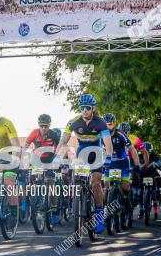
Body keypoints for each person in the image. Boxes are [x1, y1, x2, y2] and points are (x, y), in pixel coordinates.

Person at [58, 93, 113, 234]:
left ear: (92, 108)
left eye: (87, 108)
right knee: (76, 180)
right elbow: (63, 141)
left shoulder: (100, 122)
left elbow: (108, 143)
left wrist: (108, 158)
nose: (85, 110)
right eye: (82, 107)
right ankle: (77, 203)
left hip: (96, 153)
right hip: (81, 153)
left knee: (95, 182)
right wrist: (57, 157)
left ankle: (99, 216)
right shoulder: (73, 122)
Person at [25, 114, 62, 224]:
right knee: (31, 177)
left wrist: (58, 160)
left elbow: (60, 148)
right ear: (38, 125)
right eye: (42, 126)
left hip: (50, 160)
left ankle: (54, 211)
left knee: (51, 185)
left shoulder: (53, 134)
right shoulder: (34, 133)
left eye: (46, 126)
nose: (44, 128)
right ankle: (34, 199)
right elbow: (25, 146)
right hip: (36, 159)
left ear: (49, 125)